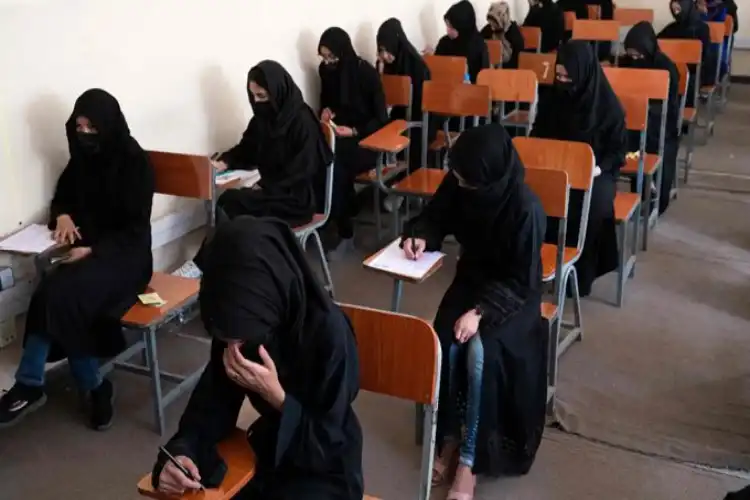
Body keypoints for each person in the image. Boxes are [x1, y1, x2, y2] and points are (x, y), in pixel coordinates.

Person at [151, 216, 363, 499]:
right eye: (227, 338)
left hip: (326, 467)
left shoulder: (329, 333)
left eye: (239, 338)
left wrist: (277, 397)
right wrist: (180, 455)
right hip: (268, 450)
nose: (234, 347)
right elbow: (210, 407)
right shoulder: (240, 324)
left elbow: (329, 439)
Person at [402, 124, 547, 500]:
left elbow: (522, 281)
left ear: (490, 176)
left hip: (513, 295)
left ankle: (470, 461)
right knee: (445, 339)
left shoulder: (525, 208)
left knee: (483, 353)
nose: (461, 185)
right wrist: (420, 235)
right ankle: (449, 436)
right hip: (474, 279)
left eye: (468, 182)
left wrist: (480, 313)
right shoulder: (462, 182)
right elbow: (435, 215)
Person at [0, 89, 154, 430]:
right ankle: (93, 386)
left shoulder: (134, 161)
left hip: (125, 256)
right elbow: (63, 197)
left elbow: (136, 226)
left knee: (57, 293)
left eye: (91, 128)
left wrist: (95, 249)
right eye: (79, 127)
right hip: (87, 253)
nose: (83, 135)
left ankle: (32, 383)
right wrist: (64, 215)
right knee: (58, 295)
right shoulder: (81, 160)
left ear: (107, 125)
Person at [173, 60, 333, 279]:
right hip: (270, 194)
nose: (257, 103)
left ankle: (207, 267)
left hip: (295, 200)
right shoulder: (263, 119)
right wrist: (225, 161)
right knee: (230, 205)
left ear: (277, 93)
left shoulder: (302, 121)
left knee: (231, 204)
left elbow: (303, 169)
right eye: (253, 97)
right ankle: (220, 269)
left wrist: (266, 186)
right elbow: (247, 149)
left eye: (262, 97)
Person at [532, 41, 626, 298]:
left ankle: (579, 273)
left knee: (592, 203)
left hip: (597, 172)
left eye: (568, 77)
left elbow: (617, 152)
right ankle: (537, 263)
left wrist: (597, 167)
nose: (563, 82)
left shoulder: (608, 108)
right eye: (559, 75)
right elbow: (537, 135)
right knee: (529, 196)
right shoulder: (553, 99)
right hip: (556, 167)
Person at [318, 27, 388, 259]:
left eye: (332, 57)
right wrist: (327, 113)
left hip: (367, 140)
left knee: (335, 164)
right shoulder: (326, 72)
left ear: (343, 52)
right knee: (317, 156)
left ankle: (345, 232)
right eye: (325, 57)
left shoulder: (364, 72)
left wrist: (355, 130)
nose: (329, 62)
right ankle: (329, 217)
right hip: (339, 137)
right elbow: (327, 103)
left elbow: (381, 119)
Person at [622, 22, 681, 215]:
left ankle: (654, 190)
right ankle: (640, 191)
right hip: (634, 121)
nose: (635, 59)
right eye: (631, 54)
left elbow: (669, 107)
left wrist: (644, 110)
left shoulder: (666, 68)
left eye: (638, 55)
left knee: (651, 135)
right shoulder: (627, 63)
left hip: (661, 124)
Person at [377, 18, 434, 171]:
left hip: (418, 117)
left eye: (387, 49)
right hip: (397, 116)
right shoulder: (384, 65)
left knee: (412, 138)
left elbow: (422, 102)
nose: (385, 55)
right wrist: (381, 73)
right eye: (381, 50)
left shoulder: (417, 66)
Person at [658, 0, 716, 107]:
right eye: (673, 9)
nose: (676, 13)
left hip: (693, 73)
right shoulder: (671, 28)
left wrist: (708, 82)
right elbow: (655, 43)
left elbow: (707, 56)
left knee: (687, 81)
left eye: (678, 9)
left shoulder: (702, 28)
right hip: (673, 70)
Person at [434, 0, 490, 83]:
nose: (448, 31)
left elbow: (482, 82)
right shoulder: (444, 43)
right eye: (447, 26)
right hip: (445, 90)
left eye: (452, 27)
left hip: (470, 93)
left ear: (462, 26)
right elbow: (435, 72)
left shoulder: (478, 47)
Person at [481, 2, 525, 69]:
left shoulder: (513, 33)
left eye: (494, 22)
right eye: (490, 21)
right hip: (490, 68)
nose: (491, 25)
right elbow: (479, 42)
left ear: (502, 19)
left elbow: (518, 59)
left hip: (509, 70)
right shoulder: (488, 29)